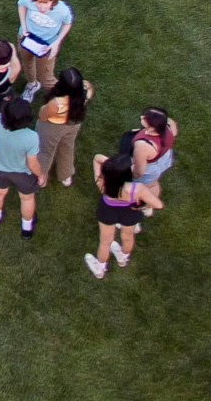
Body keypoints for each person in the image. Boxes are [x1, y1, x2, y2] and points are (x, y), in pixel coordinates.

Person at [82, 139, 143, 278]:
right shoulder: (135, 188)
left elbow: (97, 158)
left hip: (108, 211)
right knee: (128, 237)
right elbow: (154, 202)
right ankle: (123, 258)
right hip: (129, 212)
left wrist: (111, 163)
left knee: (105, 242)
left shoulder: (102, 184)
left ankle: (100, 267)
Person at [0, 98, 45, 238]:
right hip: (23, 174)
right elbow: (32, 164)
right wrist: (41, 175)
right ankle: (26, 227)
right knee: (27, 199)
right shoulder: (31, 137)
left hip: (0, 168)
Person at [33, 66, 87, 191]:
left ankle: (41, 176)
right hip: (73, 124)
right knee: (67, 147)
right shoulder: (84, 93)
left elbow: (42, 115)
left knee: (45, 150)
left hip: (52, 127)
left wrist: (42, 108)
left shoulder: (56, 103)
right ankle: (65, 175)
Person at [15, 0, 74, 94]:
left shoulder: (63, 10)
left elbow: (67, 23)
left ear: (53, 0)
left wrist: (57, 42)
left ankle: (66, 96)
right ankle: (32, 85)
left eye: (46, 3)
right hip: (27, 39)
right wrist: (23, 27)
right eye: (38, 2)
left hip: (47, 45)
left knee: (46, 79)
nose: (42, 7)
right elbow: (21, 5)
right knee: (27, 64)